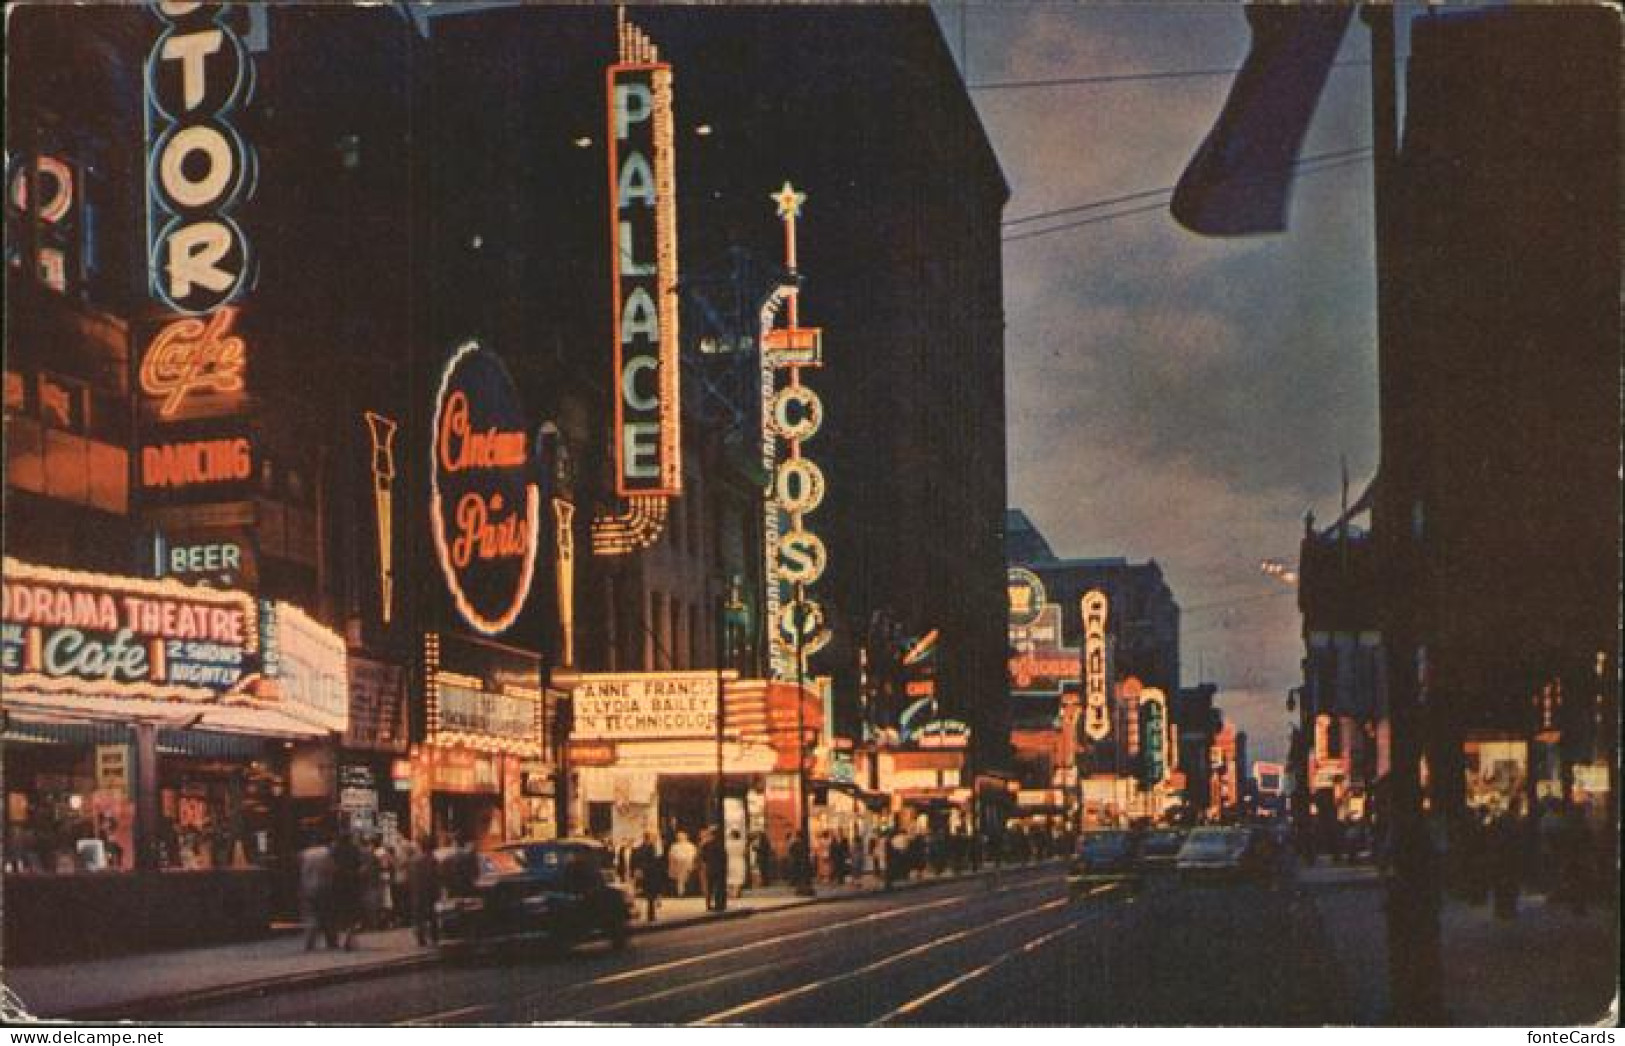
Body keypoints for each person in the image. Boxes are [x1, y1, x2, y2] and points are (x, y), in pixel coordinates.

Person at [299, 836, 336, 951]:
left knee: (311, 915)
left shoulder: (305, 853)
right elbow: (332, 869)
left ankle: (310, 942)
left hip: (308, 887)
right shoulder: (326, 852)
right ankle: (331, 941)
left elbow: (302, 871)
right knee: (327, 915)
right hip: (324, 886)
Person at [331, 830, 363, 950]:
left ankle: (342, 937)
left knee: (340, 912)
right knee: (352, 912)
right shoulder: (354, 849)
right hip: (352, 883)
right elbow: (360, 866)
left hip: (339, 883)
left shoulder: (335, 850)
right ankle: (350, 937)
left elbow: (332, 865)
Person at [407, 834, 440, 946]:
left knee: (419, 916)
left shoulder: (414, 860)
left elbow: (411, 878)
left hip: (417, 891)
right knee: (431, 914)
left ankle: (421, 939)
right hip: (430, 890)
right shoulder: (432, 859)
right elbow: (436, 876)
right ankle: (434, 937)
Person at [631, 832, 664, 922]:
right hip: (650, 874)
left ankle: (647, 914)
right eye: (652, 838)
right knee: (651, 896)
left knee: (645, 894)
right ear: (649, 838)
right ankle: (651, 915)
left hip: (642, 873)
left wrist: (638, 870)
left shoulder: (639, 848)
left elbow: (635, 861)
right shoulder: (651, 847)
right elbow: (653, 861)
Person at [701, 827, 728, 911]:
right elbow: (724, 858)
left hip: (710, 869)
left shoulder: (705, 845)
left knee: (710, 888)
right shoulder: (720, 845)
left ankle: (709, 905)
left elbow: (703, 858)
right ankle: (719, 904)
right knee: (719, 887)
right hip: (719, 869)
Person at [667, 830, 697, 897]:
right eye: (679, 837)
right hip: (678, 865)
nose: (680, 838)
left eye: (682, 837)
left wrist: (691, 863)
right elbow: (671, 856)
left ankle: (688, 892)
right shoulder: (674, 846)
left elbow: (694, 855)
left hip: (688, 865)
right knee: (680, 880)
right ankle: (680, 892)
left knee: (688, 879)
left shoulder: (691, 846)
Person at [725, 829, 748, 899]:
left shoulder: (727, 844)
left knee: (730, 877)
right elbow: (745, 852)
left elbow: (725, 852)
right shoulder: (742, 844)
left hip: (730, 860)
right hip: (739, 860)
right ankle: (735, 894)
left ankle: (730, 893)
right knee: (738, 879)